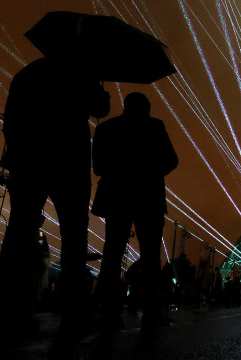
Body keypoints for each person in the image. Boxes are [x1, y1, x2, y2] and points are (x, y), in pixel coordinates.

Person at [0, 53, 110, 342]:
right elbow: (101, 108)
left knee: (19, 233)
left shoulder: (28, 73)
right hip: (69, 161)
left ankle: (7, 313)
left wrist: (20, 151)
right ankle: (73, 312)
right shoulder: (82, 73)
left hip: (28, 160)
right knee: (74, 235)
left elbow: (10, 119)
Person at [92, 92, 178, 328]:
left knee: (112, 253)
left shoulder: (107, 128)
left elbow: (98, 167)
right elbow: (172, 160)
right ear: (147, 108)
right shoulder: (155, 127)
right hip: (148, 197)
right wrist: (149, 173)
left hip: (116, 197)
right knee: (150, 256)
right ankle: (152, 312)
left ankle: (109, 312)